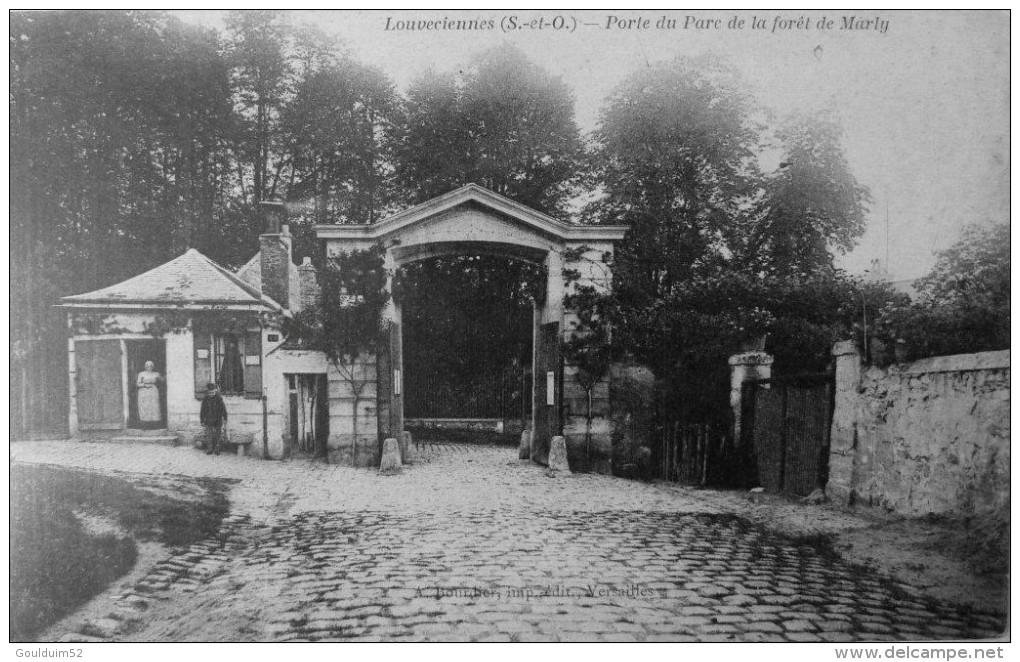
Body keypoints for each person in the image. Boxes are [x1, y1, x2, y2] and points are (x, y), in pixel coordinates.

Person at [200, 382, 228, 455]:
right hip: (208, 420)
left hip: (218, 419)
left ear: (215, 391)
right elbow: (202, 410)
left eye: (213, 392)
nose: (211, 394)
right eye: (210, 392)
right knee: (209, 435)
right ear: (208, 392)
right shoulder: (205, 399)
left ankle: (217, 449)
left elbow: (223, 409)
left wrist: (225, 418)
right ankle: (210, 449)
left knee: (218, 435)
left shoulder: (219, 398)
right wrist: (202, 420)